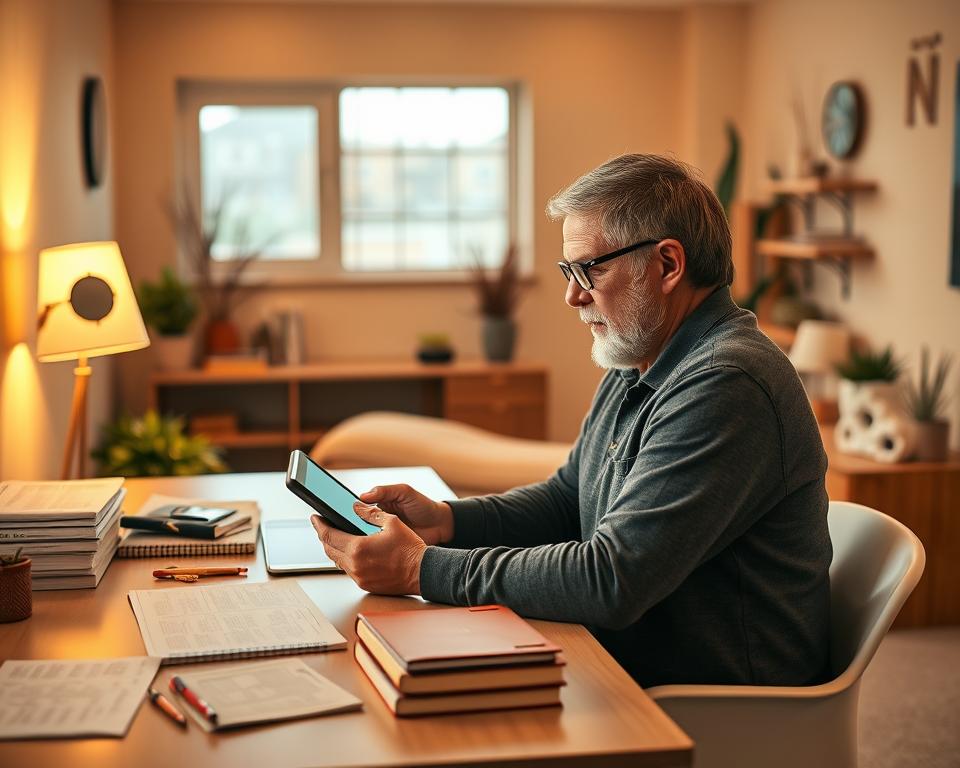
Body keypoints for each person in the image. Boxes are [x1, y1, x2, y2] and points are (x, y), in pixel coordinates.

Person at [312, 154, 831, 688]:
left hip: (716, 700)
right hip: (626, 661)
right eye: (569, 271)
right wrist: (447, 521)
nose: (573, 295)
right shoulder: (641, 359)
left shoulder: (727, 383)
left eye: (591, 269)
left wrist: (422, 569)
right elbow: (568, 498)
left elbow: (612, 578)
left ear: (668, 265)